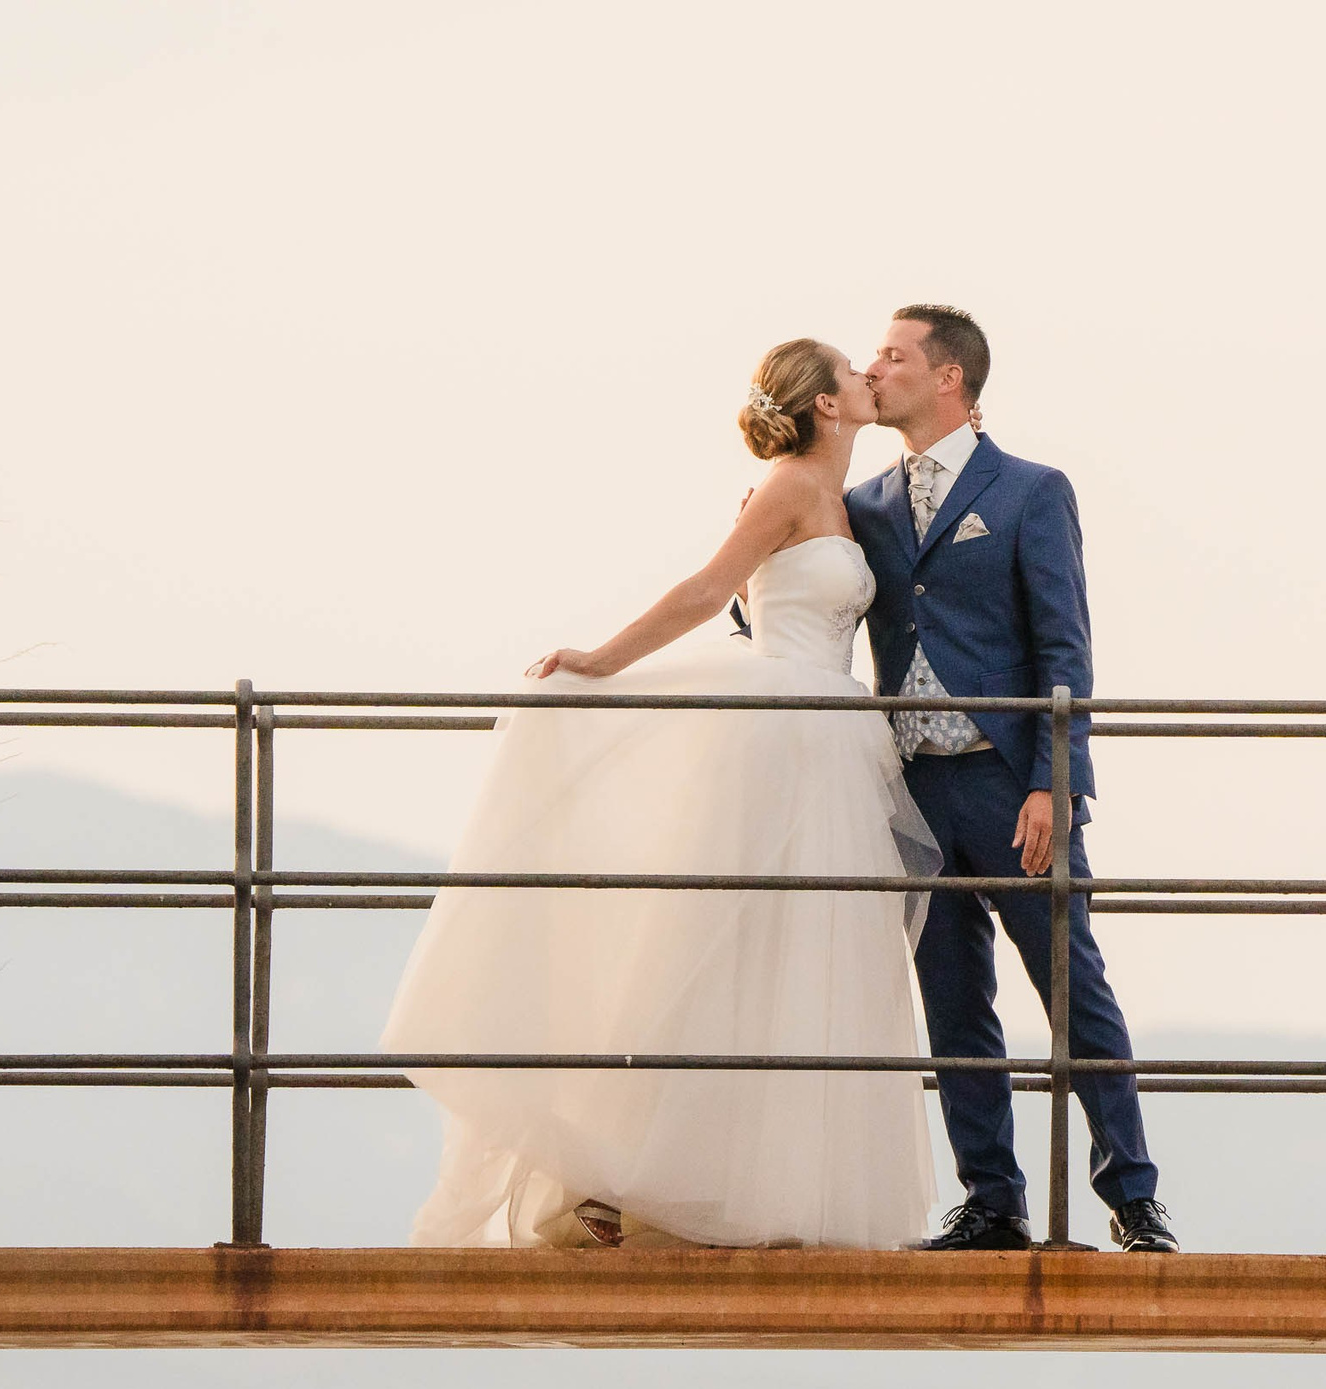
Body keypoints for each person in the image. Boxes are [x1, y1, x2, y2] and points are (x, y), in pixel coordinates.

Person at [382, 339, 937, 1250]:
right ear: (828, 405)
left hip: (831, 740)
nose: (869, 376)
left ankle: (762, 1187)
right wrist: (601, 660)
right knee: (714, 953)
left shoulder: (837, 496)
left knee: (798, 961)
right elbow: (707, 589)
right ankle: (613, 1169)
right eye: (853, 368)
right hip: (780, 735)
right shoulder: (793, 486)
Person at [849, 305, 1178, 1254]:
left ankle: (1134, 1193)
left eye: (893, 356)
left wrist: (1054, 782)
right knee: (954, 1002)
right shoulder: (864, 504)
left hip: (1012, 778)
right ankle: (992, 1198)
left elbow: (1064, 644)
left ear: (949, 378)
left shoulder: (1032, 490)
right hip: (915, 790)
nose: (877, 369)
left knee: (1073, 988)